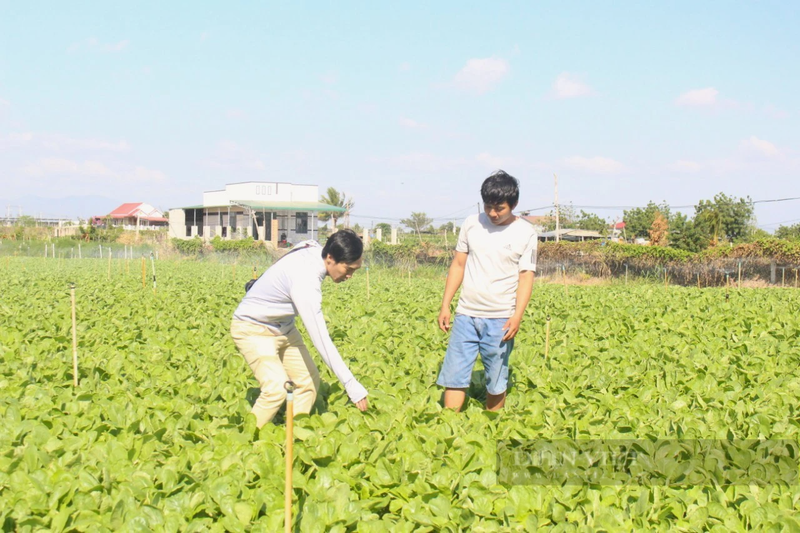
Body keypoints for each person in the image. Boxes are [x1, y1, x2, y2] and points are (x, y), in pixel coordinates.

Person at [230, 229, 368, 427]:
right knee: (276, 389)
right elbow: (321, 339)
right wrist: (350, 383)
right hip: (253, 328)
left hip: (283, 327)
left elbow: (300, 248)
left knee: (309, 381)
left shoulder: (313, 248)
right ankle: (244, 443)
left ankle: (293, 435)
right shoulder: (306, 281)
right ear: (330, 258)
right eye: (349, 269)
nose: (350, 276)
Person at [436, 170, 537, 411]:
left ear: (514, 205)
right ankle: (447, 428)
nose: (492, 213)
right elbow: (458, 264)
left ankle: (493, 426)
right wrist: (445, 304)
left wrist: (517, 316)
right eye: (488, 206)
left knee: (496, 376)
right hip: (466, 314)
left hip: (501, 318)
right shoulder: (472, 224)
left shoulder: (526, 232)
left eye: (499, 208)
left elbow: (526, 277)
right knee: (454, 373)